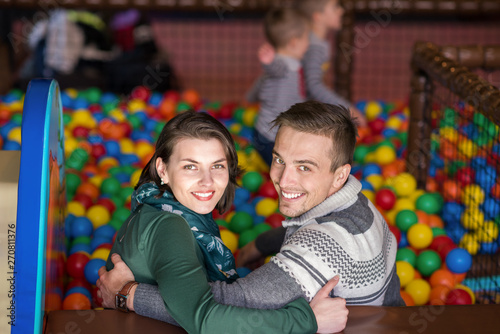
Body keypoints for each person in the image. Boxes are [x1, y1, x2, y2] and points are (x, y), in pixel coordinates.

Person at [98, 102, 403, 326]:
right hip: (393, 311)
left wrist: (127, 295)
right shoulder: (362, 205)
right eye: (279, 160)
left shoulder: (320, 246)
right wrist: (253, 249)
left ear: (339, 176)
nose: (284, 181)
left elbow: (218, 307)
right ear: (163, 169)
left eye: (305, 167)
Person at [246, 7, 310, 166]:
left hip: (264, 133)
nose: (309, 44)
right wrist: (269, 63)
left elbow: (261, 82)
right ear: (294, 42)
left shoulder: (294, 65)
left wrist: (250, 97)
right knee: (285, 169)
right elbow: (275, 68)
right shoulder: (282, 65)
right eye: (307, 38)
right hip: (272, 137)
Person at [294, 0, 367, 126]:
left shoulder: (317, 42)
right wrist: (347, 108)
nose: (341, 10)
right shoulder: (314, 47)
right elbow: (314, 85)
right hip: (297, 112)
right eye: (335, 7)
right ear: (318, 16)